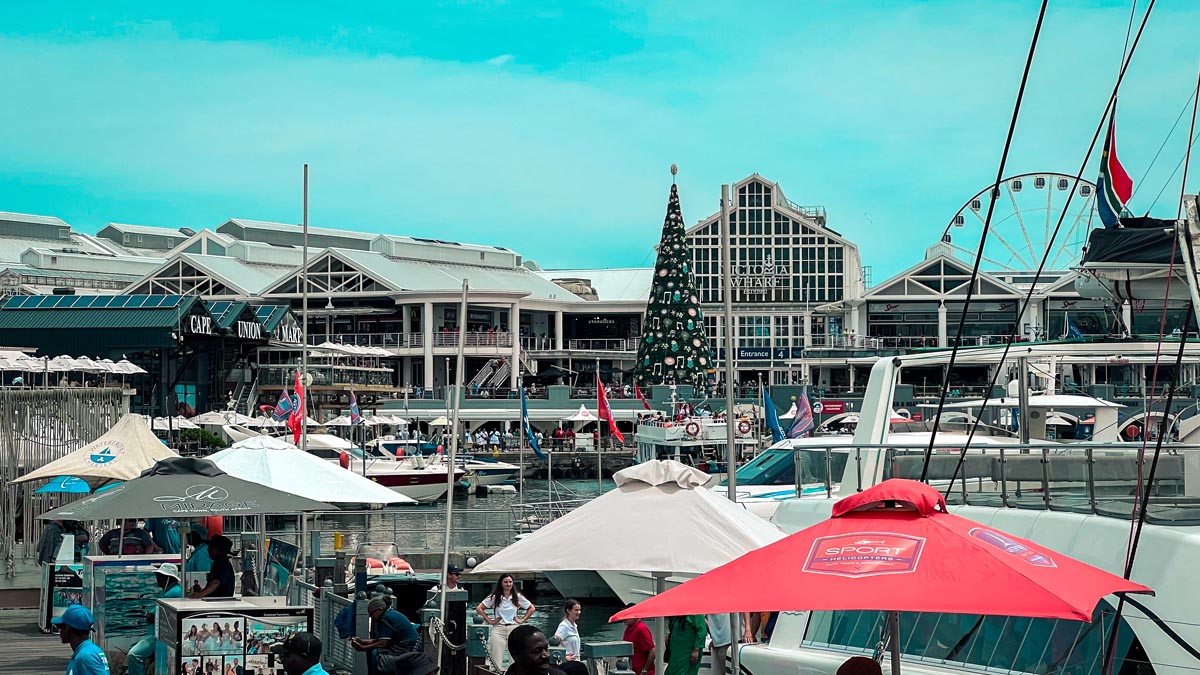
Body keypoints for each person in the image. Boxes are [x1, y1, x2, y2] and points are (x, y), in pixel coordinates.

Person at [127, 563, 185, 675]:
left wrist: (151, 616)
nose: (157, 578)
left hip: (160, 637)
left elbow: (153, 617)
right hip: (157, 634)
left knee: (133, 655)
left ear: (168, 577)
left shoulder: (173, 593)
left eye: (160, 576)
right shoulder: (170, 590)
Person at [476, 573, 535, 669]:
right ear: (501, 583)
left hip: (514, 628)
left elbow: (531, 608)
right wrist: (490, 621)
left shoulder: (517, 596)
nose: (508, 584)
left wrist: (522, 620)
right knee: (496, 659)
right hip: (499, 629)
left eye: (510, 582)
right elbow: (479, 608)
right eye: (506, 582)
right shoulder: (495, 597)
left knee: (515, 659)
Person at [351, 596, 420, 674]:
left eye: (371, 613)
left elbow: (382, 643)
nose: (371, 616)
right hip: (410, 647)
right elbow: (378, 640)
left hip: (406, 650)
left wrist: (363, 648)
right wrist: (361, 641)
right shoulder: (391, 612)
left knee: (377, 656)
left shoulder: (385, 618)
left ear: (380, 610)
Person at [53, 604, 110, 675]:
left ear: (67, 629)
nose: (60, 631)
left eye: (60, 627)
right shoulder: (90, 651)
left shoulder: (85, 657)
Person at [622, 611, 656, 675]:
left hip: (642, 672)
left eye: (627, 615)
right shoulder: (628, 629)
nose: (624, 618)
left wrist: (644, 671)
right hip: (632, 670)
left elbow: (652, 651)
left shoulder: (641, 629)